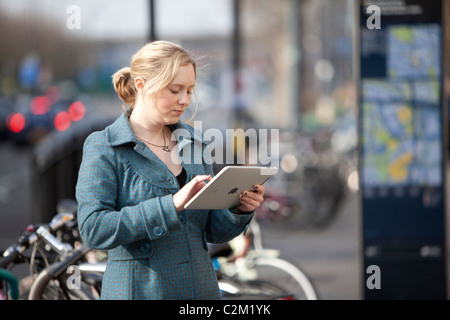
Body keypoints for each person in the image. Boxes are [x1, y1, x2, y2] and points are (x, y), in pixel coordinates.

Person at [75, 40, 265, 300]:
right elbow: (93, 229)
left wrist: (238, 210)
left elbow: (211, 231)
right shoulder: (105, 146)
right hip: (140, 292)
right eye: (175, 90)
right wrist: (170, 205)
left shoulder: (194, 140)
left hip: (202, 292)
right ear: (141, 85)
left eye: (189, 90)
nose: (185, 100)